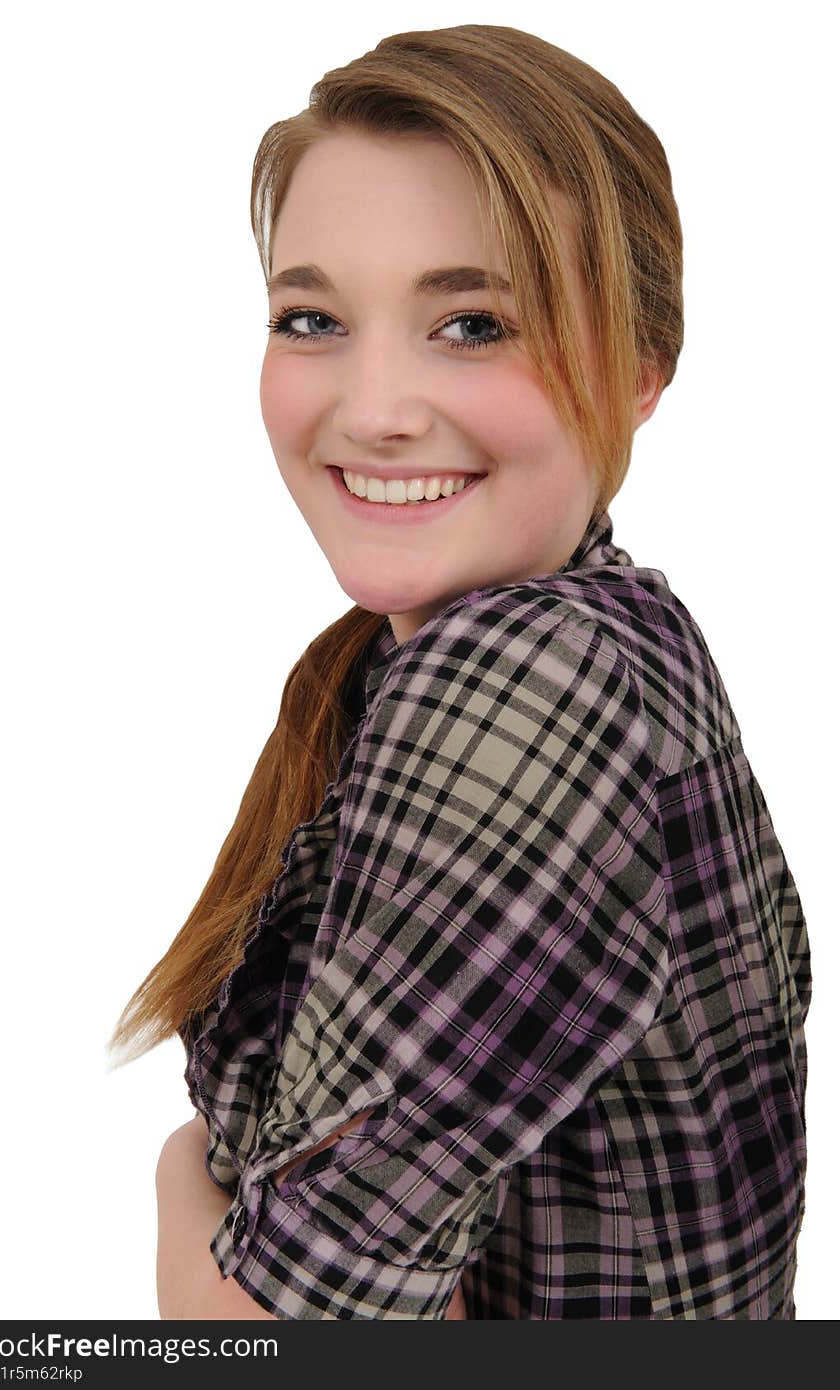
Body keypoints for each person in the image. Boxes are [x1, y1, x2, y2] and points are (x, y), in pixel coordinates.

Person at [106, 24, 811, 1320]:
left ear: (643, 368)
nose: (374, 406)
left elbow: (278, 1333)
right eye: (312, 317)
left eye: (473, 322)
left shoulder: (523, 682)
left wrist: (175, 1189)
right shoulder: (616, 633)